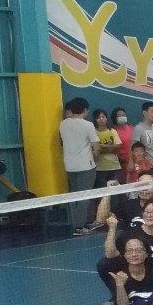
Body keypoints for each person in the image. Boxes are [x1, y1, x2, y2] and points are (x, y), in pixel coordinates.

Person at [61, 97, 102, 235]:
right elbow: (96, 147)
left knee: (76, 196)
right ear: (85, 110)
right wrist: (95, 160)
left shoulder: (63, 124)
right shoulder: (88, 125)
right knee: (85, 196)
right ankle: (79, 227)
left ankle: (87, 222)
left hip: (70, 166)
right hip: (86, 166)